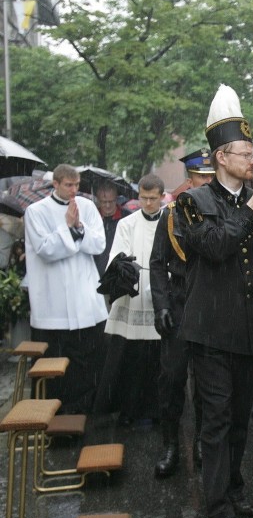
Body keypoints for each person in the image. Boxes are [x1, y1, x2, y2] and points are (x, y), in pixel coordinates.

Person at [175, 85, 253, 518]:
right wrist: (248, 212)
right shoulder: (193, 203)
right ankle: (216, 507)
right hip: (210, 332)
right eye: (244, 153)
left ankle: (234, 487)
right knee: (216, 421)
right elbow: (216, 249)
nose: (252, 160)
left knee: (241, 417)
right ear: (221, 157)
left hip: (249, 328)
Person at [24, 164, 108, 413]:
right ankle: (54, 421)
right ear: (56, 184)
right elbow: (46, 250)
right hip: (53, 305)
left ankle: (86, 416)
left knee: (87, 367)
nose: (74, 191)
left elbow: (99, 245)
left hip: (86, 302)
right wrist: (68, 227)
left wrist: (79, 229)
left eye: (77, 185)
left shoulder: (88, 207)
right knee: (55, 372)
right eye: (69, 185)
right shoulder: (35, 212)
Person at [150, 149, 214, 478]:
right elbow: (158, 263)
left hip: (208, 308)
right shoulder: (171, 214)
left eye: (212, 176)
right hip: (177, 304)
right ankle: (171, 444)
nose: (208, 182)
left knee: (206, 383)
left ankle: (202, 441)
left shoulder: (222, 211)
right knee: (172, 379)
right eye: (203, 177)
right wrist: (161, 306)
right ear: (191, 180)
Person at [94, 174, 166, 425]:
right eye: (144, 198)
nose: (148, 203)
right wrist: (128, 272)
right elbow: (117, 257)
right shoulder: (127, 224)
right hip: (134, 294)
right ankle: (130, 411)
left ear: (162, 197)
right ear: (138, 197)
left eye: (153, 199)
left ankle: (156, 412)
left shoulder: (170, 222)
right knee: (133, 359)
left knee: (157, 360)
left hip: (160, 294)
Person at [93, 181, 129, 277]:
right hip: (95, 273)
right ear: (98, 200)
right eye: (104, 202)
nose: (108, 205)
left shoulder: (127, 217)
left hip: (118, 274)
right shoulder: (92, 217)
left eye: (111, 201)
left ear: (117, 199)